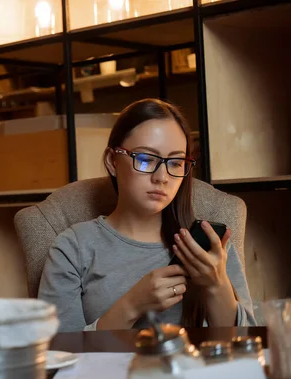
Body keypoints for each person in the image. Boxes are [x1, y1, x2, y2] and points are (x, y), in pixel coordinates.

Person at [39, 99, 256, 332]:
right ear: (112, 161)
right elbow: (58, 353)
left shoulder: (209, 245)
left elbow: (248, 346)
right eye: (145, 159)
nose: (162, 177)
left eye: (175, 163)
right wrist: (131, 306)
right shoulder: (74, 248)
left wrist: (216, 284)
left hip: (196, 368)